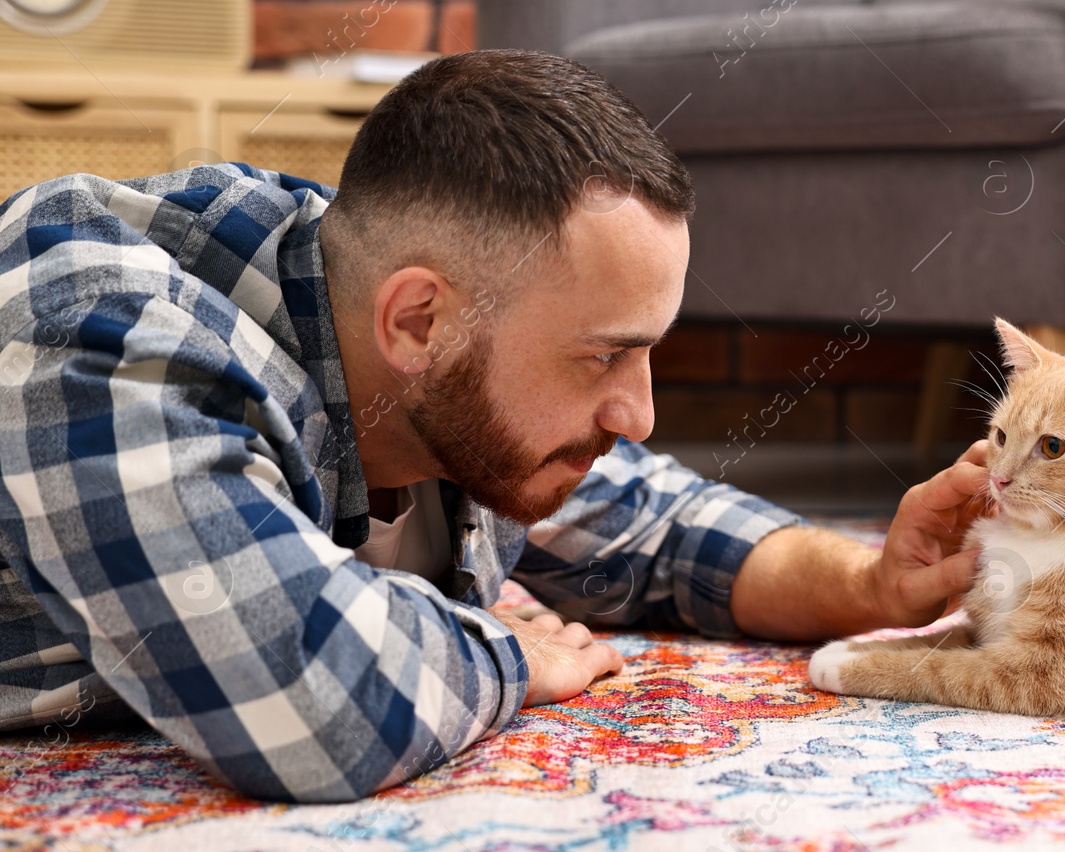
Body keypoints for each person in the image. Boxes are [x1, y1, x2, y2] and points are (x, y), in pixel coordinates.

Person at [0, 50, 988, 801]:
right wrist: (508, 649)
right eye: (603, 355)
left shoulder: (417, 346)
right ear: (418, 322)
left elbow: (653, 526)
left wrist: (869, 583)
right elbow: (308, 701)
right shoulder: (89, 326)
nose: (637, 412)